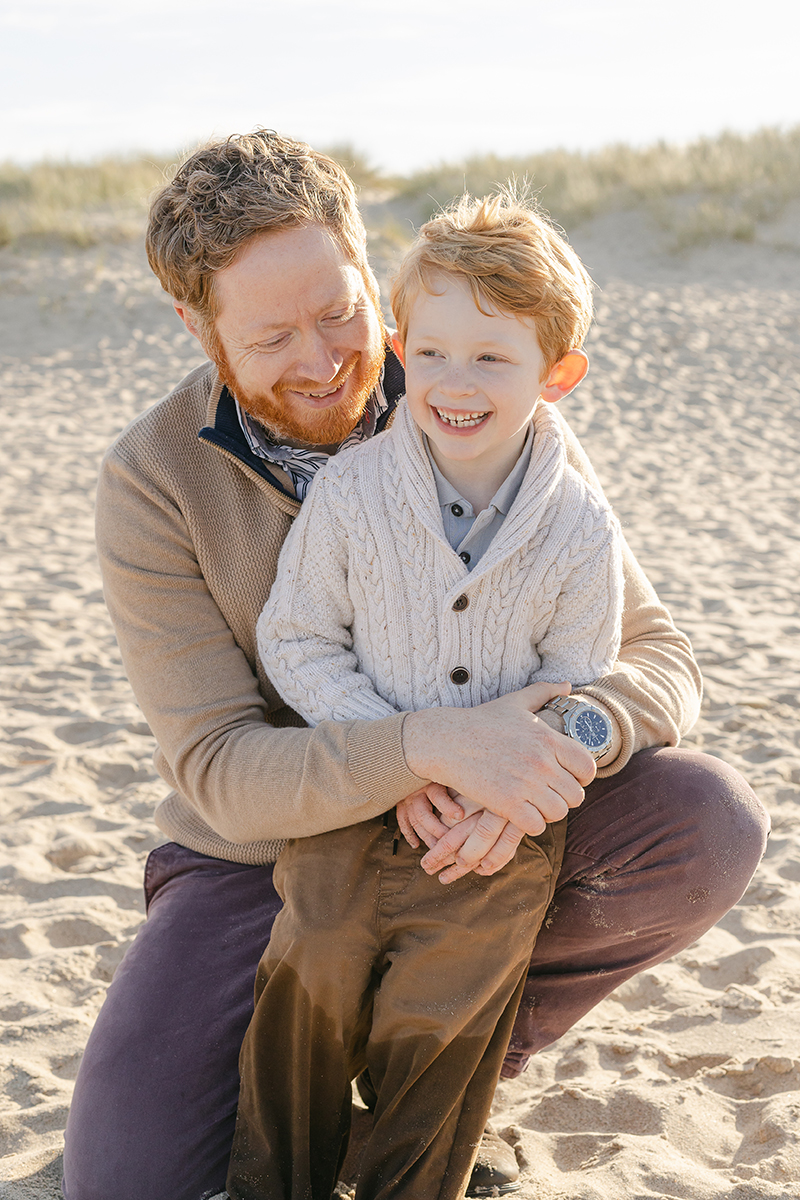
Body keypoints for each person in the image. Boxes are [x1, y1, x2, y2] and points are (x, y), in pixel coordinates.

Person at [61, 130, 769, 1200]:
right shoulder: (152, 481)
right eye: (269, 335)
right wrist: (429, 748)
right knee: (122, 1180)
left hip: (485, 839)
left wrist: (546, 751)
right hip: (260, 856)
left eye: (339, 311)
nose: (322, 359)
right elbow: (217, 768)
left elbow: (655, 655)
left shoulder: (473, 384)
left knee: (705, 817)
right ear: (196, 327)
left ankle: (441, 1073)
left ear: (366, 266)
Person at [226, 189, 626, 1200]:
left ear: (556, 375)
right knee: (309, 975)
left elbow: (577, 678)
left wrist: (501, 798)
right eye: (434, 351)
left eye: (492, 359)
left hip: (495, 828)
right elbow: (296, 637)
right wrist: (402, 749)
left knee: (446, 1013)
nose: (456, 382)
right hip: (354, 799)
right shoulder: (353, 491)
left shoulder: (578, 524)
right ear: (401, 347)